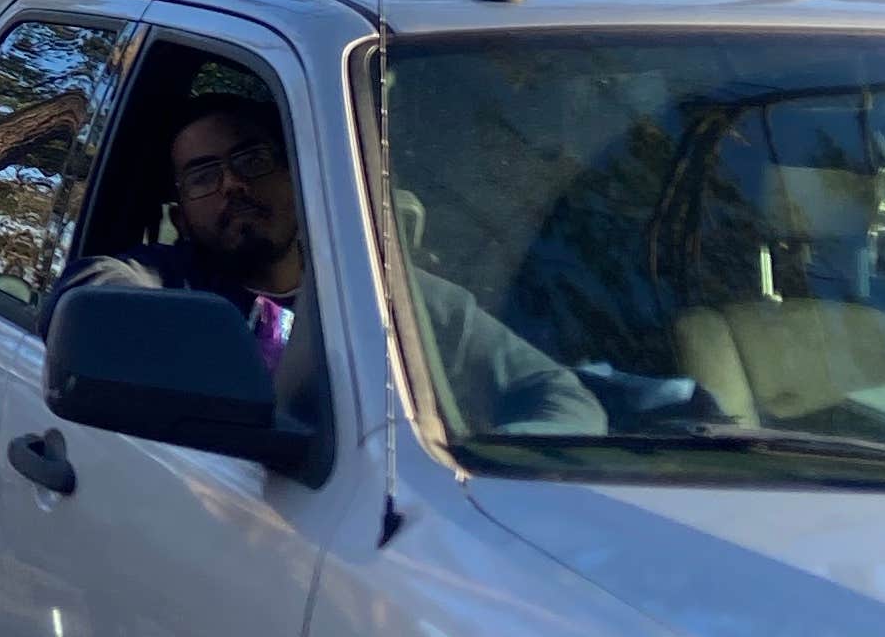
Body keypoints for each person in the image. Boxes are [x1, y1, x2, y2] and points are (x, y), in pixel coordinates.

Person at [70, 73, 605, 441]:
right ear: (182, 217)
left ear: (298, 178)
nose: (232, 184)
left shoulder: (390, 295)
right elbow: (92, 290)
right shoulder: (167, 285)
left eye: (252, 160)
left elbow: (562, 397)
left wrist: (490, 463)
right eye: (204, 176)